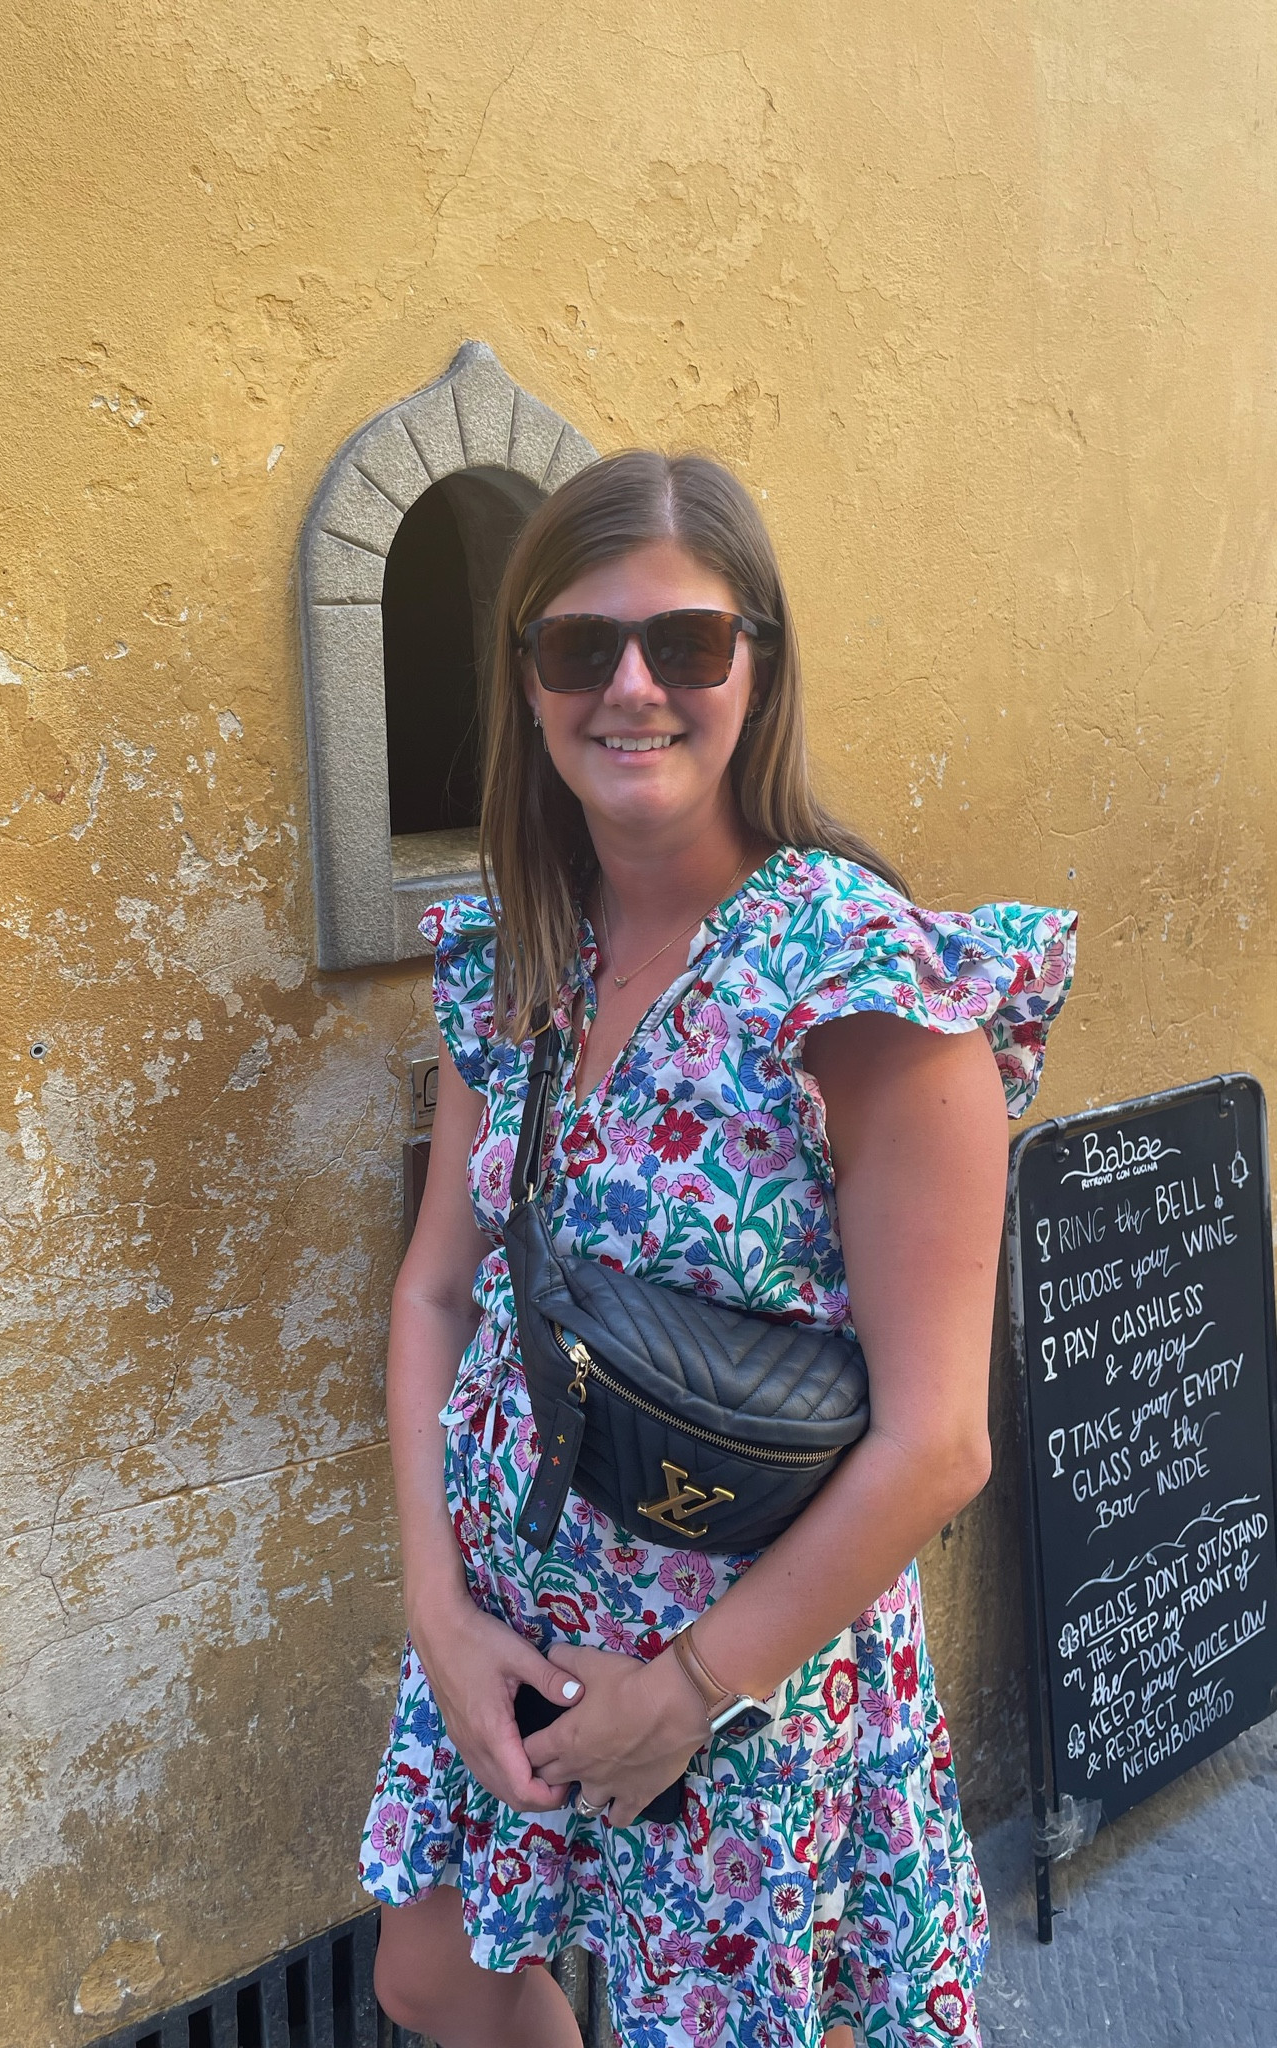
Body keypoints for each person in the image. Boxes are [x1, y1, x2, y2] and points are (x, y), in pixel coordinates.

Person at [361, 450, 1075, 2047]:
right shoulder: (520, 954)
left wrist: (682, 1695)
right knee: (431, 1976)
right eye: (578, 647)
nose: (631, 686)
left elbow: (937, 1439)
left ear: (759, 664)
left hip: (747, 1690)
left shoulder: (863, 981)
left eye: (684, 644)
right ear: (528, 682)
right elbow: (432, 1289)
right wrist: (438, 1613)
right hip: (509, 1638)